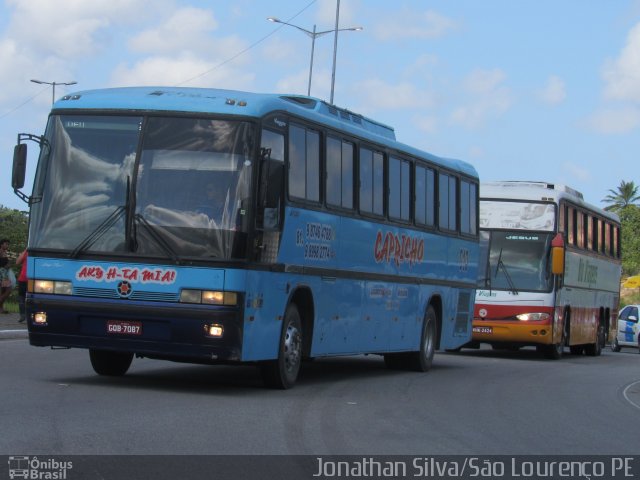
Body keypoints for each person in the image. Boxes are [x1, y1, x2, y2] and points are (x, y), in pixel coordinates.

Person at [15, 249, 28, 322]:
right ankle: (22, 315)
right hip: (23, 278)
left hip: (34, 279)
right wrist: (26, 250)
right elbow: (17, 262)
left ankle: (28, 315)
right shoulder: (26, 252)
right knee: (21, 298)